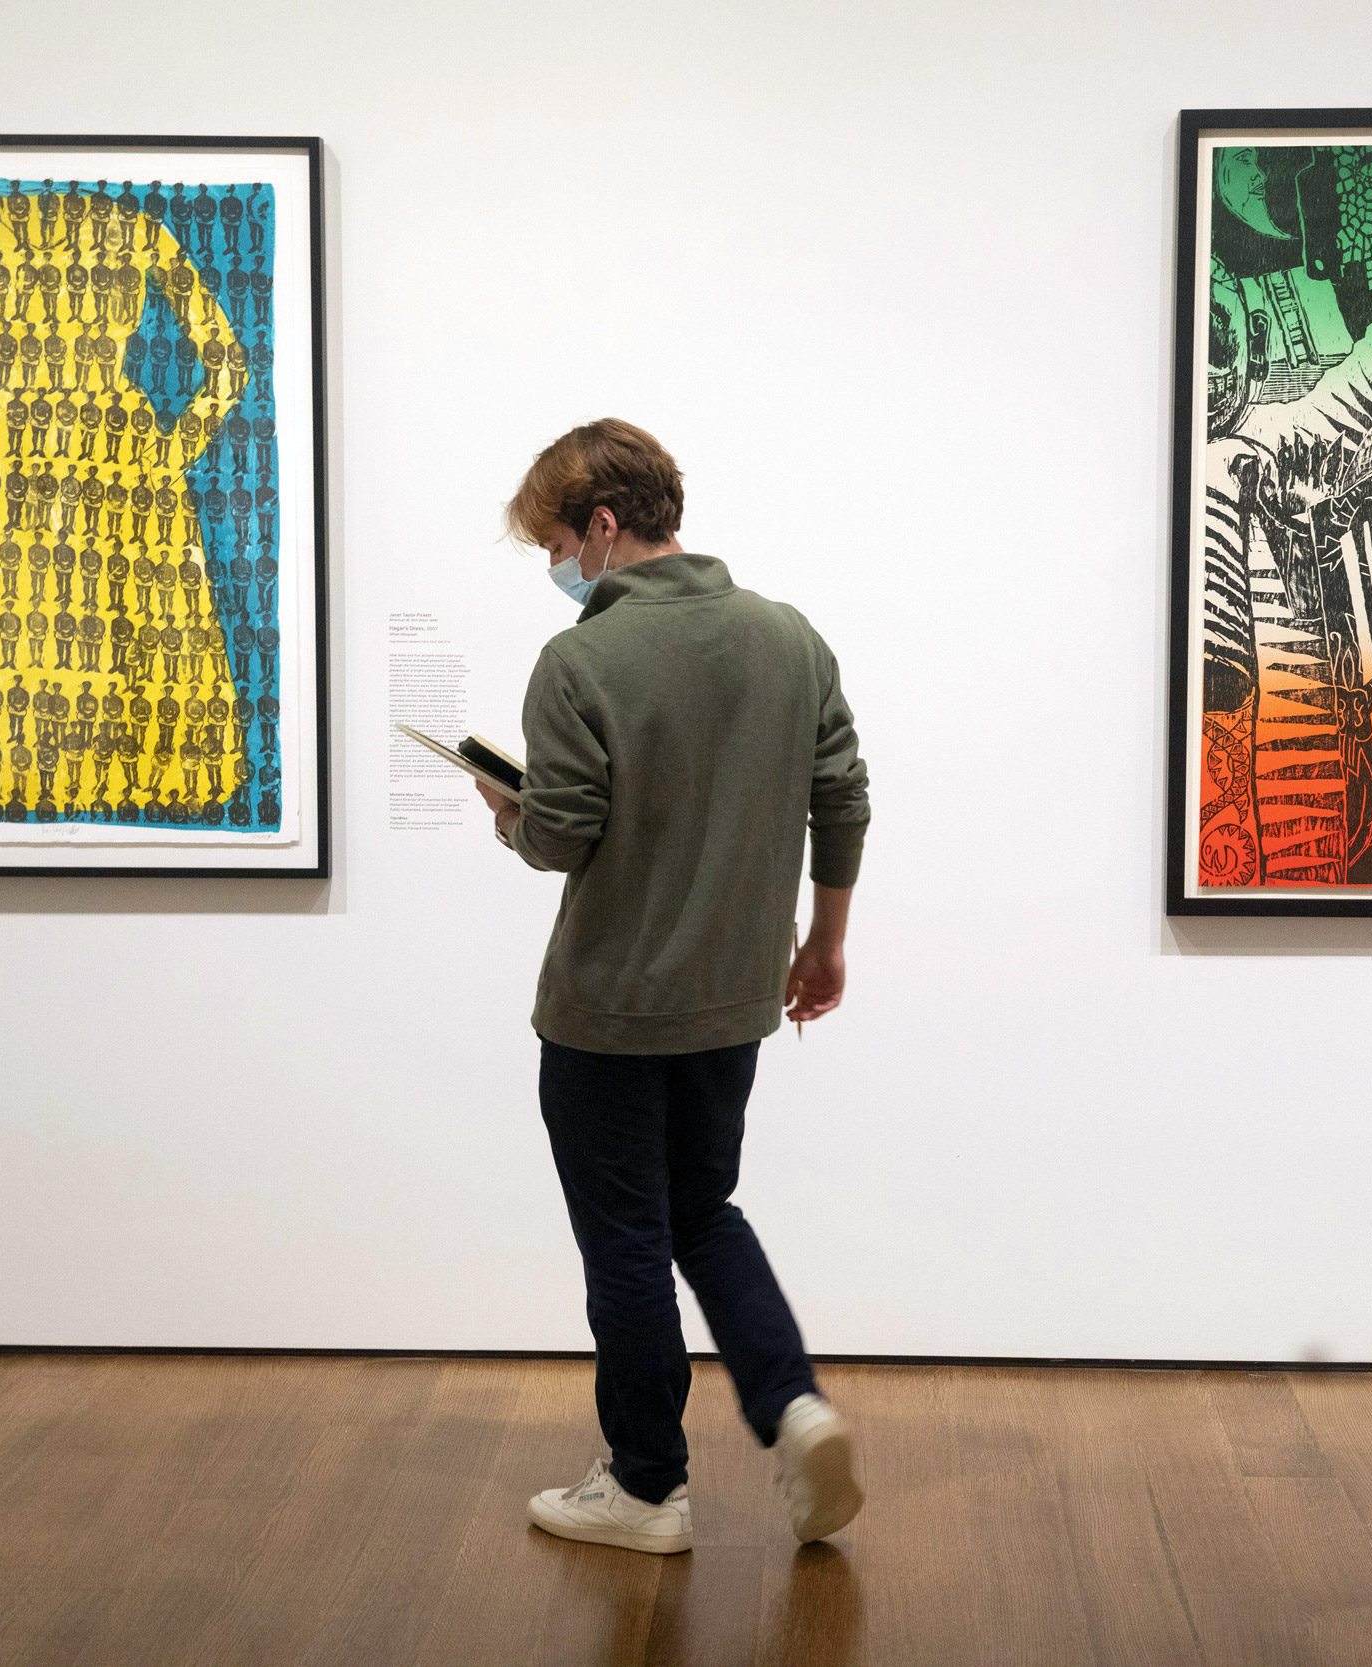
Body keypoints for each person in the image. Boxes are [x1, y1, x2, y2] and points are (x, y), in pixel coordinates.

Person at [478, 419, 870, 1558]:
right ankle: (794, 1405)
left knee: (627, 1244)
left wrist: (512, 816)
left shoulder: (579, 662)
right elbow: (841, 795)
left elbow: (563, 837)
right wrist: (825, 945)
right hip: (733, 1001)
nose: (559, 570)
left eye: (556, 542)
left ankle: (647, 1487)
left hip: (606, 1010)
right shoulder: (788, 638)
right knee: (702, 1210)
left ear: (602, 524)